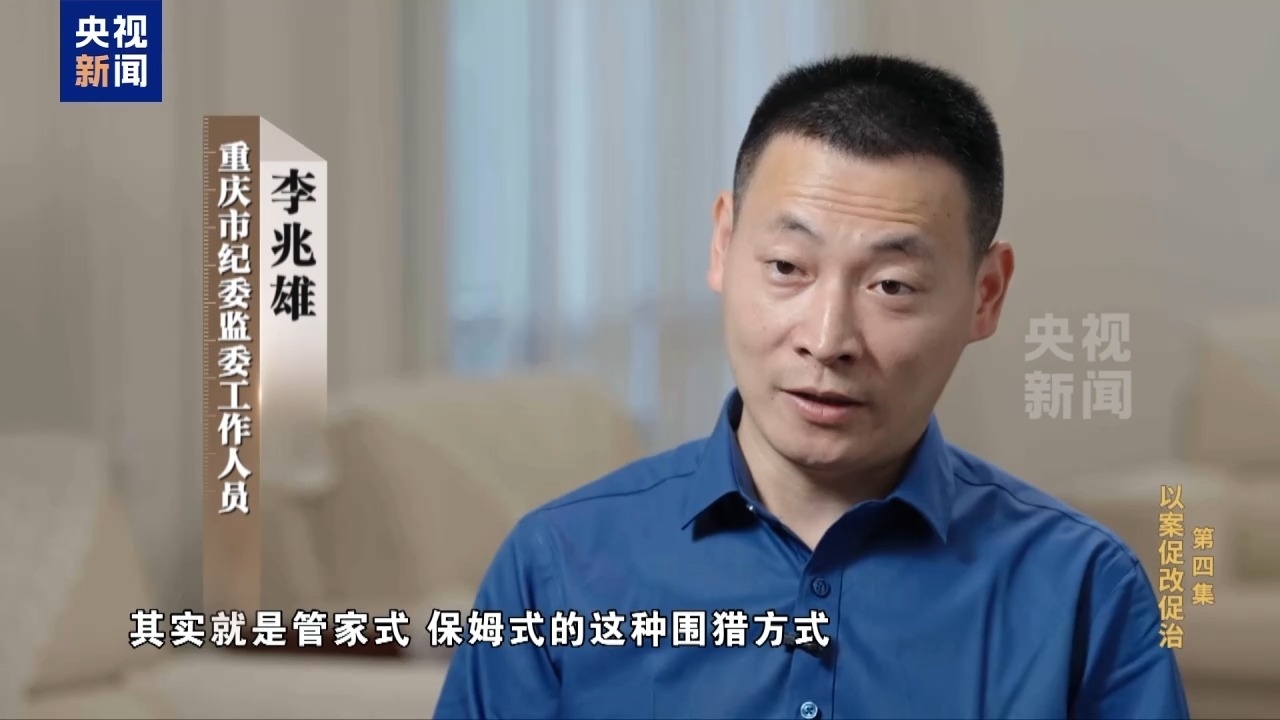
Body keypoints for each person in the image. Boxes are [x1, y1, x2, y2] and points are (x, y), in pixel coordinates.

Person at [433, 53, 1188, 720]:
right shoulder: (556, 567)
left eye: (892, 285)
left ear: (985, 295)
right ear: (723, 245)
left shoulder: (1084, 592)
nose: (827, 340)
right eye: (788, 267)